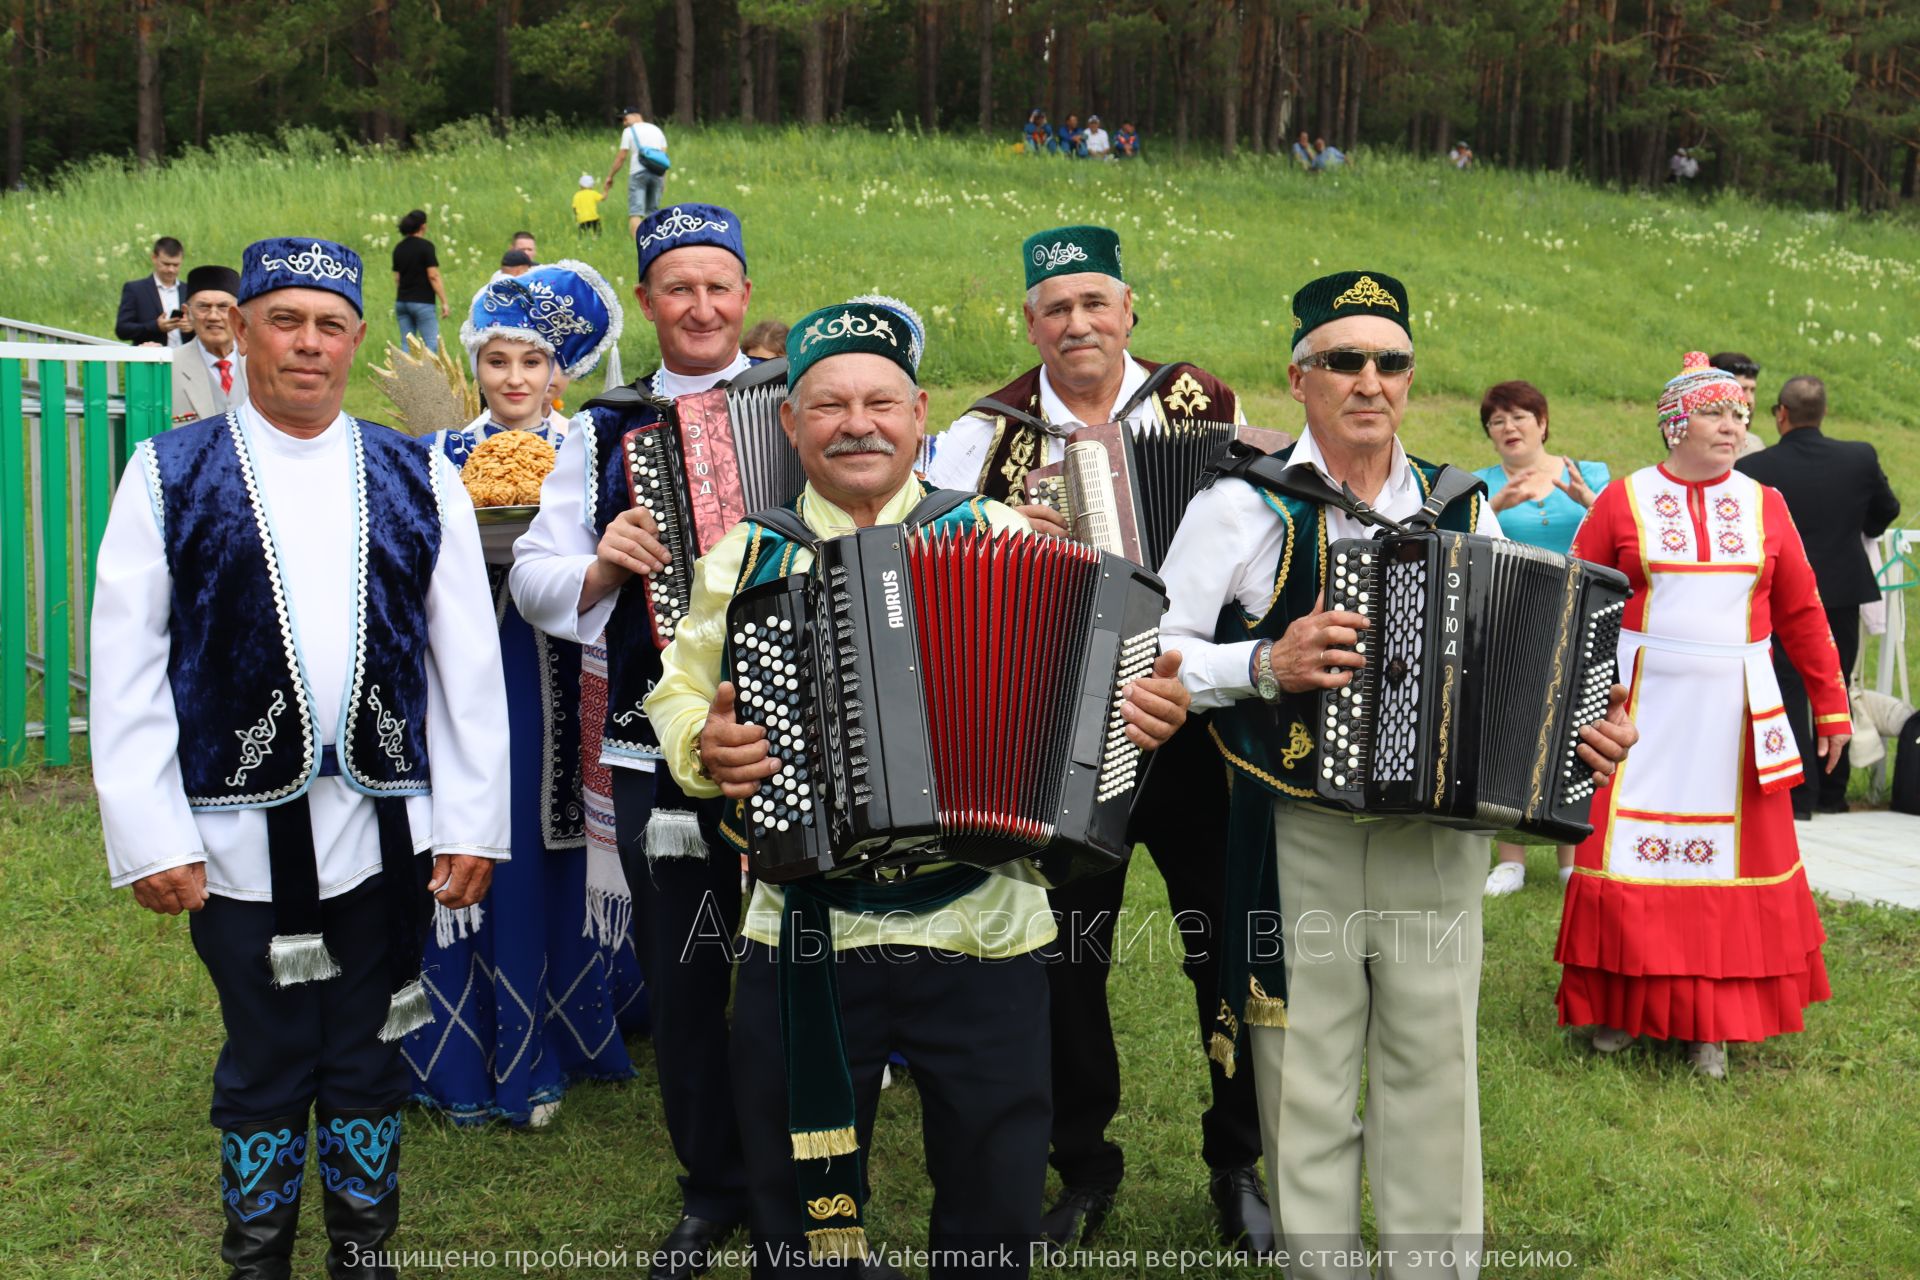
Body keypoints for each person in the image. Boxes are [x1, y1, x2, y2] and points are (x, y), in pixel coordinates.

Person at [641, 295, 1191, 1278]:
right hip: (805, 936)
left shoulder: (1003, 538)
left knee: (994, 1204)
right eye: (832, 403)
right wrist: (705, 745)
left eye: (881, 402)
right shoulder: (746, 554)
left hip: (985, 931)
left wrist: (1134, 721)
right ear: (791, 422)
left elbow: (1094, 697)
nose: (859, 422)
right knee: (809, 1218)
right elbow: (679, 697)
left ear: (920, 413)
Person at [1158, 270, 1635, 1278]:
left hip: (1439, 834)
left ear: (1410, 379)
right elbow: (1155, 653)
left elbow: (1531, 652)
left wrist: (1581, 732)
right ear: (1300, 376)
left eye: (1390, 362)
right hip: (1299, 825)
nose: (1369, 380)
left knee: (1433, 1061)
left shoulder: (1466, 504)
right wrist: (1263, 662)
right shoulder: (1241, 506)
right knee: (1305, 1074)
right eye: (1344, 360)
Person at [89, 236, 510, 1279]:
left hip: (386, 834)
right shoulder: (170, 470)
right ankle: (258, 1258)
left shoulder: (420, 473)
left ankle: (362, 1253)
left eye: (330, 325)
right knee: (269, 1053)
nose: (308, 345)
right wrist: (149, 832)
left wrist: (472, 822)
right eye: (286, 320)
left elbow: (464, 665)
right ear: (241, 330)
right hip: (231, 838)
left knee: (368, 1052)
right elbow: (129, 657)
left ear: (359, 338)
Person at [924, 225, 1270, 1254]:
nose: (1078, 322)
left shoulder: (1204, 402)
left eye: (1095, 302)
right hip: (1065, 730)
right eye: (1055, 306)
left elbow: (1266, 532)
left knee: (1225, 939)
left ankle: (1237, 1156)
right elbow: (941, 572)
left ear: (1129, 312)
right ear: (1029, 320)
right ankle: (1083, 1161)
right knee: (1069, 955)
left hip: (1200, 721)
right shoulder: (985, 434)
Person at [510, 203, 762, 1280]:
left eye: (719, 284)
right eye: (679, 287)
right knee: (689, 964)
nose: (700, 305)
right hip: (654, 742)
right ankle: (712, 1184)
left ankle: (810, 1176)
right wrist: (604, 565)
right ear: (650, 299)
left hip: (816, 733)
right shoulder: (598, 428)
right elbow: (533, 575)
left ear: (745, 295)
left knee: (810, 961)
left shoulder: (810, 403)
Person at [1556, 352, 1850, 1080]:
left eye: (1741, 415)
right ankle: (1625, 1008)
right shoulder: (1621, 501)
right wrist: (1571, 697)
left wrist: (1832, 705)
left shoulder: (1766, 504)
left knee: (1724, 867)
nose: (1734, 425)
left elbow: (1804, 612)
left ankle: (1709, 1026)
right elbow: (1574, 601)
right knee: (1629, 857)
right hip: (1638, 711)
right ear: (1675, 424)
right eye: (1717, 413)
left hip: (1734, 716)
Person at [405, 262, 645, 1129]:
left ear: (561, 371)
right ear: (476, 366)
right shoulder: (439, 458)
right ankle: (488, 1043)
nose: (514, 379)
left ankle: (580, 1018)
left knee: (573, 835)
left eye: (532, 362)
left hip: (574, 664)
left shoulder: (590, 451)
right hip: (482, 668)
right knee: (491, 828)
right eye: (498, 361)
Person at [1737, 374, 1901, 817]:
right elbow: (1887, 510)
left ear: (1781, 414)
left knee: (1789, 686)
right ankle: (1834, 793)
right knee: (1837, 685)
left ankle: (1798, 793)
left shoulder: (1755, 468)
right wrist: (1860, 530)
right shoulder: (1858, 458)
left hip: (1782, 595)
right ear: (1823, 413)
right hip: (1843, 590)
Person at [1472, 379, 1610, 896]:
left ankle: (1573, 855)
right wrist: (1497, 507)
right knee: (1513, 726)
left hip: (1580, 613)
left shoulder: (1589, 473)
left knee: (1579, 728)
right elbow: (1467, 547)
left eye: (1519, 417)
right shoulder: (1481, 485)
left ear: (1543, 423)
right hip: (1513, 619)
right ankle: (1511, 858)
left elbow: (1617, 533)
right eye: (1497, 421)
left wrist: (1586, 500)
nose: (1508, 427)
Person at [170, 264, 248, 423]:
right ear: (187, 313)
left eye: (223, 307)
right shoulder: (169, 366)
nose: (213, 316)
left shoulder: (261, 363)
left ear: (239, 314)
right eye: (203, 307)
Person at [606, 107, 671, 236]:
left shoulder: (629, 131)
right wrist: (664, 180)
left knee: (635, 212)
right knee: (653, 212)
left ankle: (637, 245)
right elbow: (663, 159)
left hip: (638, 173)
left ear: (636, 116)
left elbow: (622, 156)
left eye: (625, 118)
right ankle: (654, 243)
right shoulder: (657, 130)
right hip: (657, 174)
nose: (624, 123)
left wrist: (610, 176)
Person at [115, 235, 189, 347]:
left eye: (176, 265)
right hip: (150, 360)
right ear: (154, 258)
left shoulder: (189, 290)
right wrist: (155, 326)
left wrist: (192, 327)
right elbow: (122, 330)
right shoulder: (136, 290)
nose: (171, 269)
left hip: (185, 358)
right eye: (166, 264)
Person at [392, 209, 450, 351]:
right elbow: (433, 275)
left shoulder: (398, 248)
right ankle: (428, 374)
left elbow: (397, 278)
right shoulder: (426, 247)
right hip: (423, 302)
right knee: (431, 343)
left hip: (402, 302)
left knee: (407, 344)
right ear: (423, 226)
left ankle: (405, 373)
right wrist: (444, 302)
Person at [1708, 352, 1765, 456]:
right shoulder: (1698, 444)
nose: (1750, 400)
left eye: (1752, 390)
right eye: (1741, 390)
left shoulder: (1755, 446)